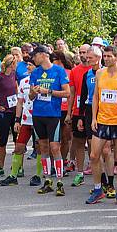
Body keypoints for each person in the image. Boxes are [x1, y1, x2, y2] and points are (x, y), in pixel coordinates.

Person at [87, 45, 117, 206]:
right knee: (94, 155)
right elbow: (95, 97)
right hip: (102, 120)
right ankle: (98, 188)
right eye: (104, 56)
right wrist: (94, 118)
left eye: (109, 56)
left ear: (116, 57)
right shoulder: (100, 73)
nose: (106, 59)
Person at [29, 45, 71, 197]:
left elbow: (67, 93)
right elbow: (30, 97)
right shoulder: (35, 73)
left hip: (53, 115)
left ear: (43, 55)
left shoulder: (59, 71)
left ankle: (59, 181)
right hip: (38, 114)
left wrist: (49, 92)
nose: (33, 59)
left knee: (55, 147)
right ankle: (47, 180)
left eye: (35, 56)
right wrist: (33, 93)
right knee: (43, 147)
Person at [66, 44, 92, 187]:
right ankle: (80, 173)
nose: (83, 55)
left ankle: (96, 171)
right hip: (78, 111)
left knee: (94, 144)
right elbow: (72, 93)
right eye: (81, 52)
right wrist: (69, 113)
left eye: (85, 52)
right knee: (79, 142)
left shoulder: (97, 71)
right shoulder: (75, 71)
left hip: (93, 111)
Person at [0, 55, 18, 179]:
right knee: (2, 142)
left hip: (15, 111)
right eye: (15, 63)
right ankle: (1, 168)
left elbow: (17, 89)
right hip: (3, 112)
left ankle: (17, 167)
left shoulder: (14, 74)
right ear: (11, 64)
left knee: (18, 141)